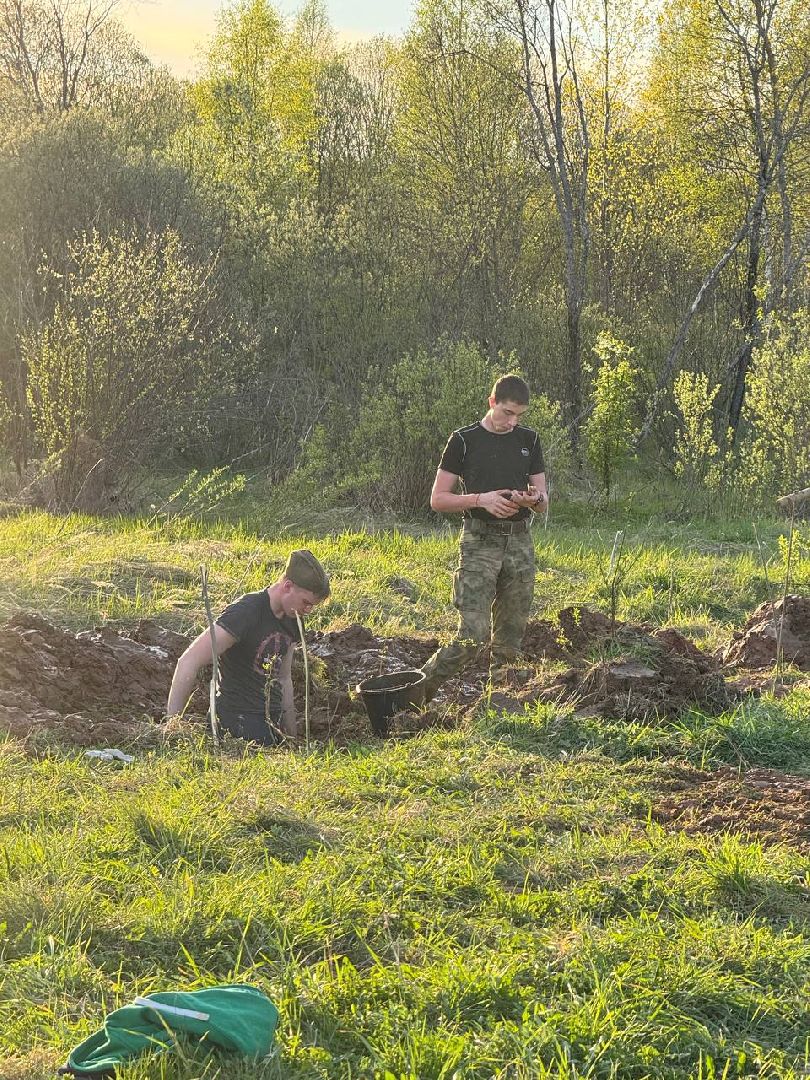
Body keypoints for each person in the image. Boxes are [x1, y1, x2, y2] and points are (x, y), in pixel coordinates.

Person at [420, 374, 548, 700]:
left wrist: (531, 500)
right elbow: (438, 499)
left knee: (510, 637)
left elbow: (544, 502)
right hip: (479, 541)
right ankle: (417, 688)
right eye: (507, 412)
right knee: (472, 634)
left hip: (519, 542)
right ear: (492, 403)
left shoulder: (529, 440)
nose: (512, 421)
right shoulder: (464, 440)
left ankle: (500, 706)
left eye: (519, 415)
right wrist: (482, 499)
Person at [166, 549, 330, 745]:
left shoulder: (293, 618)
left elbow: (284, 678)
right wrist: (173, 729)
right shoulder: (246, 612)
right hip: (236, 724)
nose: (308, 610)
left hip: (272, 726)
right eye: (306, 603)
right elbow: (188, 661)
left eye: (312, 606)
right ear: (288, 586)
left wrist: (292, 739)